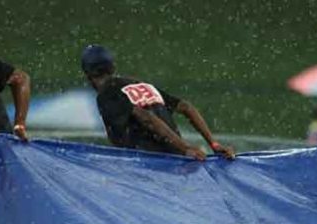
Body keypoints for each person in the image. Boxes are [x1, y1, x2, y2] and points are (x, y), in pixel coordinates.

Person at [80, 44, 235, 161]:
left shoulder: (107, 94)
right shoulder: (141, 84)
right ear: (113, 67)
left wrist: (186, 148)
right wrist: (213, 144)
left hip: (150, 165)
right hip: (178, 160)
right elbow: (186, 107)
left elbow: (146, 117)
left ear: (87, 75)